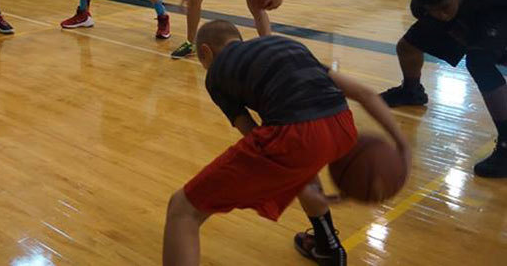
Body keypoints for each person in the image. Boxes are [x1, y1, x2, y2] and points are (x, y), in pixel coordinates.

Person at [162, 20, 409, 266]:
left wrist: (290, 178)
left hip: (295, 133)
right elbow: (364, 93)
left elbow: (250, 131)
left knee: (182, 209)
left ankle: (326, 242)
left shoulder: (216, 74)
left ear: (205, 52)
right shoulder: (285, 45)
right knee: (300, 163)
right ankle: (327, 247)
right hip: (342, 123)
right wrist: (402, 145)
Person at [380, 0, 507, 178]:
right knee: (407, 46)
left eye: (445, 7)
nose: (442, 15)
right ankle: (411, 91)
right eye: (434, 10)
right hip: (467, 12)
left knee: (479, 63)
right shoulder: (423, 4)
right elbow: (439, 14)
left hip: (496, 12)